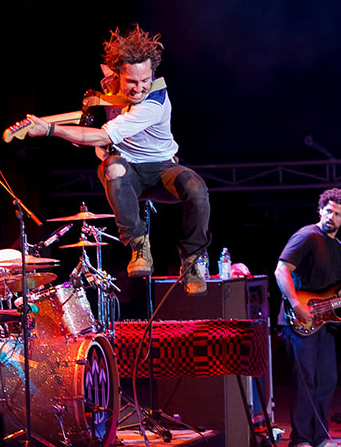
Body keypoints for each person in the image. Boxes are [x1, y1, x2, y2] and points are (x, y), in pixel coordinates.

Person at [27, 25, 210, 295]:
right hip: (127, 176)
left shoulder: (154, 101)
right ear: (116, 75)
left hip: (162, 171)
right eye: (131, 82)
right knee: (113, 167)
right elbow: (88, 135)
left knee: (196, 187)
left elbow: (101, 135)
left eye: (145, 80)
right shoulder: (108, 88)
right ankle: (139, 246)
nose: (139, 88)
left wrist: (52, 129)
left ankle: (192, 260)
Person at [275, 188, 341, 447]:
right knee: (305, 381)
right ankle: (300, 441)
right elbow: (282, 269)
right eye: (328, 210)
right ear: (320, 210)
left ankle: (321, 438)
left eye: (338, 214)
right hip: (299, 320)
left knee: (327, 379)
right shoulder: (306, 236)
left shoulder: (340, 248)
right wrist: (297, 305)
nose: (331, 216)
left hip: (324, 323)